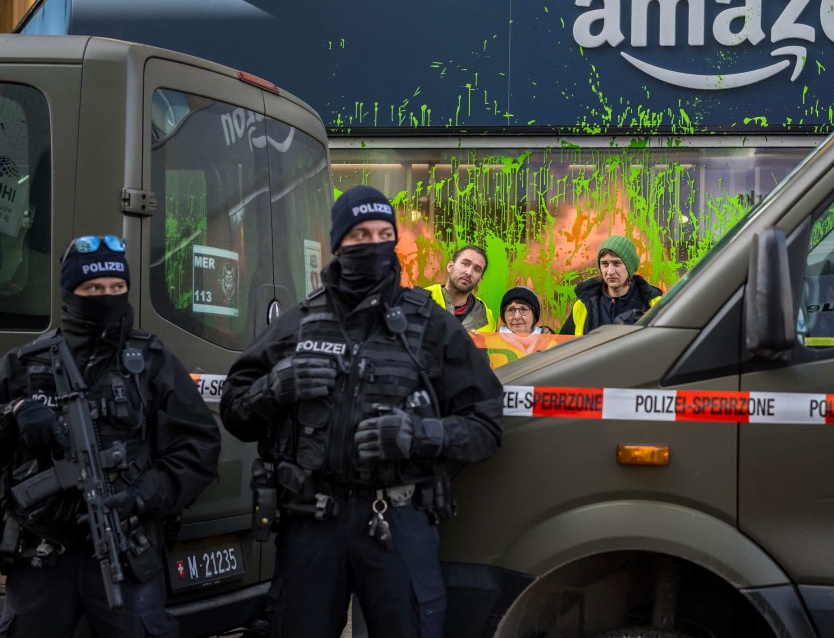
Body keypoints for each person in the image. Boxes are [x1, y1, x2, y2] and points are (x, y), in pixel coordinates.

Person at [220, 186, 503, 638]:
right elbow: (235, 408)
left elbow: (486, 425)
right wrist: (275, 388)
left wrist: (419, 435)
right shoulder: (301, 321)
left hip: (398, 519)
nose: (372, 244)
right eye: (359, 235)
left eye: (383, 233)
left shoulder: (430, 325)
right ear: (337, 244)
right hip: (312, 523)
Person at [0, 234, 221, 638]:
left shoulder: (151, 361)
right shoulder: (24, 365)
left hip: (125, 548)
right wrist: (15, 413)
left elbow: (199, 447)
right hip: (41, 556)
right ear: (71, 292)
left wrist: (142, 495)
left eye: (117, 288)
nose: (106, 297)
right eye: (93, 289)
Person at [560, 235, 663, 336]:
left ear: (629, 267)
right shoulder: (583, 305)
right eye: (605, 264)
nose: (610, 271)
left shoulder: (653, 304)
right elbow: (563, 345)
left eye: (616, 263)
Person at [424, 244, 496, 332]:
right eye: (465, 264)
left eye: (477, 269)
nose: (469, 272)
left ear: (480, 280)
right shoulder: (421, 300)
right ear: (450, 267)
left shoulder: (486, 318)